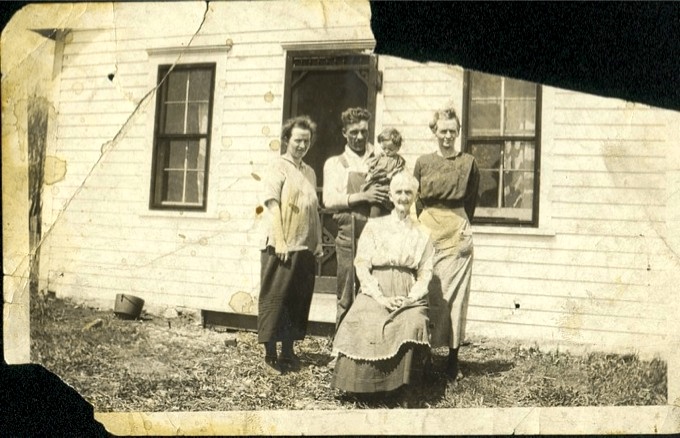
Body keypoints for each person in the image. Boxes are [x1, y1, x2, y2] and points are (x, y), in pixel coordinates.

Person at [331, 171, 434, 393]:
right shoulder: (375, 226)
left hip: (408, 290)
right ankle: (362, 386)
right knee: (363, 319)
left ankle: (401, 387)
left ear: (415, 197)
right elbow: (362, 264)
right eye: (399, 192)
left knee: (412, 321)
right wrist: (380, 297)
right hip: (377, 287)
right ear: (390, 196)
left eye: (409, 193)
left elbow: (425, 272)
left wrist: (410, 298)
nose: (404, 197)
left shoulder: (422, 233)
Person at [413, 106, 480, 380]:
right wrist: (422, 226)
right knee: (427, 291)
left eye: (453, 131)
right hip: (428, 229)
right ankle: (424, 354)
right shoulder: (423, 162)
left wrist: (460, 225)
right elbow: (414, 199)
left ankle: (453, 358)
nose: (448, 136)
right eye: (443, 131)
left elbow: (472, 200)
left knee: (456, 296)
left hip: (456, 230)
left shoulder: (468, 163)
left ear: (458, 132)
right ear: (434, 131)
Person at [258, 115, 323, 374]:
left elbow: (313, 209)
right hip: (280, 245)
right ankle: (270, 355)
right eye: (297, 140)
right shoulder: (277, 167)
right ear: (286, 140)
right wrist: (281, 240)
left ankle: (288, 353)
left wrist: (317, 242)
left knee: (296, 300)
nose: (301, 145)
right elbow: (271, 204)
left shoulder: (309, 171)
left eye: (306, 141)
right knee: (276, 299)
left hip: (303, 245)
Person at [323, 108, 389, 332]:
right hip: (348, 233)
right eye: (354, 132)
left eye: (364, 131)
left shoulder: (381, 160)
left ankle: (369, 344)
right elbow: (329, 200)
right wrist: (364, 196)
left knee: (373, 287)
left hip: (377, 231)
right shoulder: (335, 163)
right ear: (344, 132)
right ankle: (341, 347)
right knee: (346, 289)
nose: (360, 137)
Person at [362, 127, 407, 217]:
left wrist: (393, 174)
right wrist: (370, 174)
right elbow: (371, 167)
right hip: (376, 183)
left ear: (398, 148)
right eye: (384, 148)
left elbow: (399, 171)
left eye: (390, 149)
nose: (386, 151)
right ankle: (373, 224)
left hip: (388, 186)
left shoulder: (398, 160)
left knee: (389, 209)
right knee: (375, 207)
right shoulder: (380, 157)